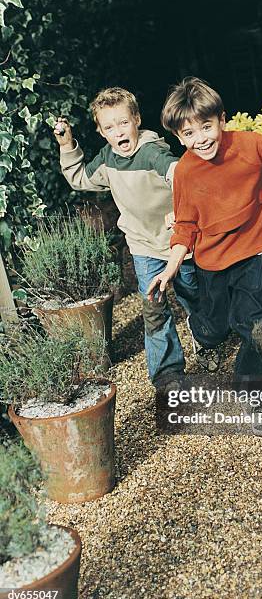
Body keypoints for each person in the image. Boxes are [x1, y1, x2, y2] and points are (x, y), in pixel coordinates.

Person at [147, 77, 262, 436]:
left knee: (257, 325)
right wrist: (170, 270)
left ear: (221, 120)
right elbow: (185, 226)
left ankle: (257, 397)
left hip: (255, 252)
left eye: (206, 126)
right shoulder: (184, 171)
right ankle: (201, 329)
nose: (201, 139)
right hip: (212, 262)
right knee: (214, 326)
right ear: (179, 138)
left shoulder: (249, 146)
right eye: (189, 133)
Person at [53, 86, 204, 397]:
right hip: (143, 245)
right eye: (109, 126)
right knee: (154, 308)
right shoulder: (107, 160)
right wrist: (67, 144)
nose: (118, 131)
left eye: (123, 122)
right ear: (100, 131)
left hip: (180, 240)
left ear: (136, 119)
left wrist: (180, 209)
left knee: (195, 297)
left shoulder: (151, 151)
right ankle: (167, 374)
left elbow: (176, 171)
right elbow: (81, 178)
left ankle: (207, 340)